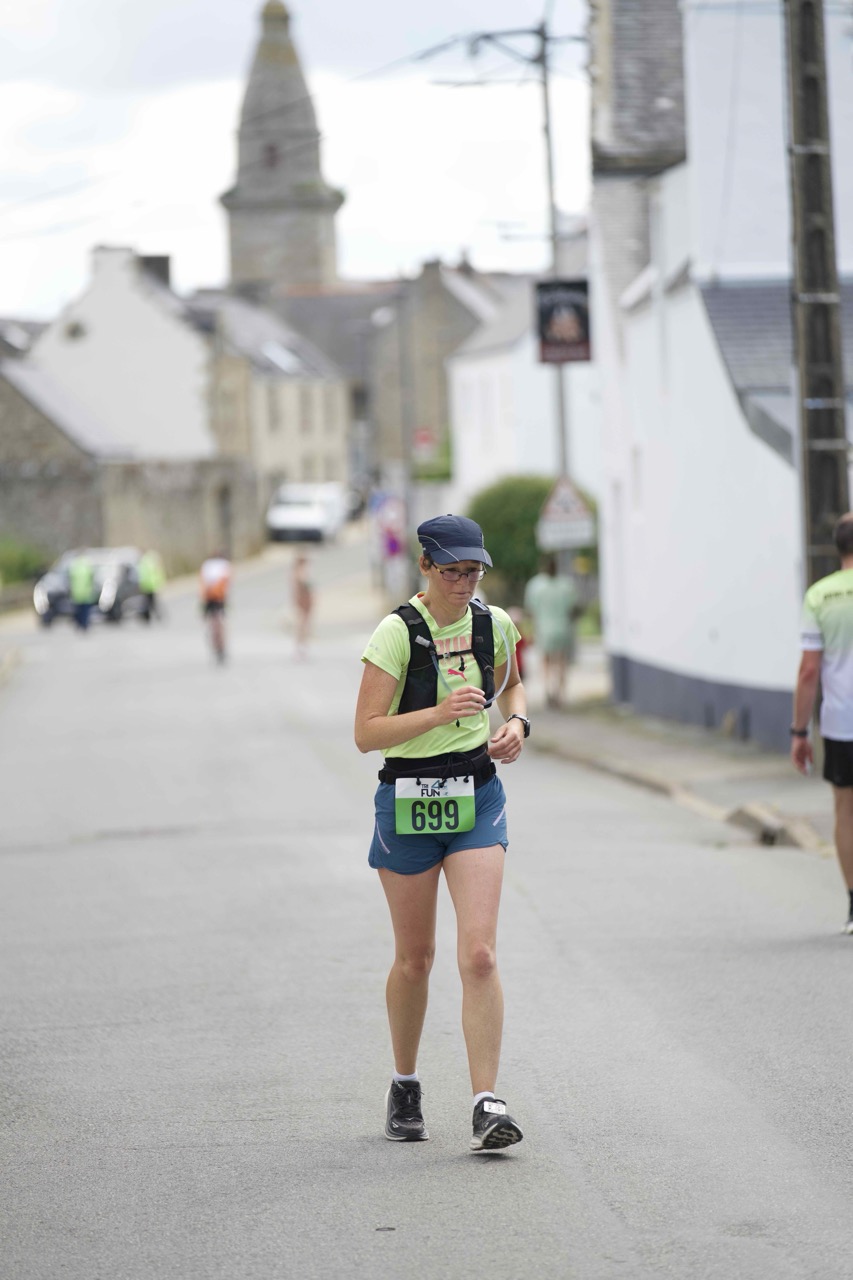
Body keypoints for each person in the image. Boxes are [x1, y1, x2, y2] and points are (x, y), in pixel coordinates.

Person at [354, 513, 530, 1153]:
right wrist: (437, 713)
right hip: (408, 800)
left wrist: (517, 725)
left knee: (479, 954)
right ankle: (405, 1084)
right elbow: (366, 732)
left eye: (473, 571)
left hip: (476, 795)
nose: (464, 582)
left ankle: (487, 1102)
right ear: (425, 565)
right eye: (452, 571)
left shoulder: (493, 623)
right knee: (416, 958)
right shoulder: (396, 633)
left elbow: (514, 685)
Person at [791, 512, 853, 933]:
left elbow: (809, 671)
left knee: (846, 811)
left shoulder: (819, 595)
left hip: (841, 722)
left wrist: (799, 732)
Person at [523, 554, 578, 709]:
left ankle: (548, 691)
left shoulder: (535, 585)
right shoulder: (566, 585)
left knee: (546, 662)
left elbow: (530, 610)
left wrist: (531, 630)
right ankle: (560, 694)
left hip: (543, 629)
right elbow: (573, 609)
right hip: (562, 628)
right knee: (561, 662)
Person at [199, 551, 231, 663]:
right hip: (218, 599)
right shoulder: (223, 565)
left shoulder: (207, 566)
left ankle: (218, 645)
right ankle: (219, 645)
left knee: (215, 624)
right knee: (219, 624)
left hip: (212, 599)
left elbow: (203, 585)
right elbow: (226, 583)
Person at [291, 553, 314, 659]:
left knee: (303, 623)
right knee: (303, 624)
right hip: (304, 599)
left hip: (302, 599)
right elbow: (305, 583)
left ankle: (302, 646)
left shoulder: (295, 572)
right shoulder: (300, 572)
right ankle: (301, 647)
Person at [68, 550, 96, 631]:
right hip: (86, 592)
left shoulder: (74, 565)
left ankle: (79, 624)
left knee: (78, 610)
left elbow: (70, 579)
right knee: (85, 611)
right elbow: (92, 578)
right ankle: (84, 624)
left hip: (76, 592)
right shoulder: (87, 565)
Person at [137, 549, 165, 622]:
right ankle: (155, 615)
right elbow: (157, 573)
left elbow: (142, 575)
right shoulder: (151, 561)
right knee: (151, 601)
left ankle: (148, 616)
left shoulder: (143, 562)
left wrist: (141, 584)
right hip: (152, 584)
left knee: (149, 601)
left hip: (147, 585)